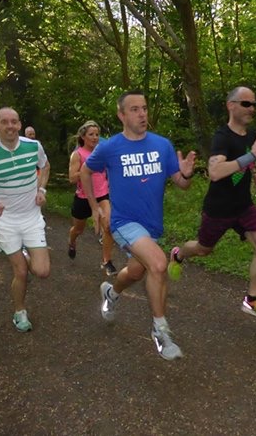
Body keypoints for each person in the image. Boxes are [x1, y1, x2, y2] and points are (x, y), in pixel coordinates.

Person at [80, 90, 196, 361]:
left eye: (144, 108)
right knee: (158, 264)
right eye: (134, 109)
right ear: (121, 115)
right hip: (123, 221)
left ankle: (111, 293)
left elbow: (181, 184)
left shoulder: (162, 145)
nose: (142, 114)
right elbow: (86, 171)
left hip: (151, 225)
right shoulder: (110, 147)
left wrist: (187, 174)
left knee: (135, 272)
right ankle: (160, 330)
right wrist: (95, 207)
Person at [167, 86, 256, 321]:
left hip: (244, 206)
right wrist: (252, 156)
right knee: (203, 249)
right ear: (231, 106)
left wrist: (253, 171)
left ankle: (252, 299)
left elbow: (244, 160)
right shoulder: (222, 137)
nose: (252, 109)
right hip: (219, 209)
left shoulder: (251, 135)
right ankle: (178, 254)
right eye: (246, 104)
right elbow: (216, 172)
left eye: (254, 104)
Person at [0, 107, 51, 333]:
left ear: (19, 124)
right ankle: (20, 312)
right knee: (21, 272)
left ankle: (25, 254)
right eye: (4, 122)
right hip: (5, 221)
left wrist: (42, 189)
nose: (10, 126)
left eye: (14, 121)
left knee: (42, 271)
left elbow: (45, 166)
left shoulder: (33, 146)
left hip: (32, 218)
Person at [68, 120, 117, 276]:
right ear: (83, 137)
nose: (95, 137)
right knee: (78, 229)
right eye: (91, 134)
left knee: (108, 227)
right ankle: (72, 241)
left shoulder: (102, 153)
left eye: (97, 134)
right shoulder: (77, 154)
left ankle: (106, 261)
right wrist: (87, 169)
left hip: (102, 195)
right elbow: (72, 178)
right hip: (83, 198)